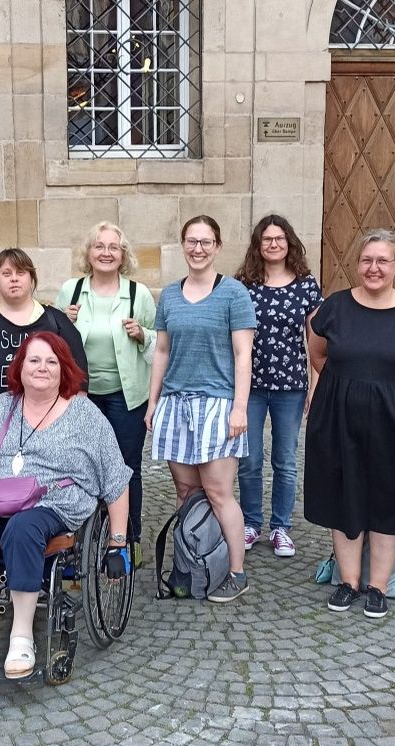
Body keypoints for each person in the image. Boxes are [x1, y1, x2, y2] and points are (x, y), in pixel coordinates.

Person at [0, 332, 132, 679]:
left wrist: (117, 543)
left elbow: (116, 481)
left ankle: (22, 636)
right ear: (20, 367)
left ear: (64, 370)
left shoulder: (85, 416)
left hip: (53, 502)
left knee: (23, 528)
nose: (42, 368)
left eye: (52, 362)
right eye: (34, 360)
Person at [305, 229, 395, 619]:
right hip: (339, 416)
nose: (374, 268)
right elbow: (317, 351)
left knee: (389, 499)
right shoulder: (335, 307)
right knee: (343, 496)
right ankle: (348, 582)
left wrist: (391, 390)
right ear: (358, 264)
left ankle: (378, 587)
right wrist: (347, 383)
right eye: (367, 260)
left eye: (383, 260)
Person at [146, 215, 256, 603]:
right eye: (191, 241)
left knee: (218, 492)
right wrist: (154, 401)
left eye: (206, 242)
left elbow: (244, 355)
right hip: (175, 404)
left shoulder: (234, 294)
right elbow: (161, 350)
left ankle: (237, 573)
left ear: (218, 246)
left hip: (217, 405)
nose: (198, 248)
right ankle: (191, 565)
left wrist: (239, 408)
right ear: (183, 245)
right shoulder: (170, 295)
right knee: (186, 490)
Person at [56, 221, 156, 549]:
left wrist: (142, 334)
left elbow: (160, 344)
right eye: (99, 246)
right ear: (89, 252)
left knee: (126, 469)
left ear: (123, 254)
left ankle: (128, 541)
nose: (106, 253)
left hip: (126, 396)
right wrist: (62, 325)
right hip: (80, 396)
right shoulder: (71, 291)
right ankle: (82, 541)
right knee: (81, 467)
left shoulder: (136, 294)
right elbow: (50, 343)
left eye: (113, 247)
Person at [234, 215, 323, 558]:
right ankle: (251, 522)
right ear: (258, 245)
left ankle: (281, 527)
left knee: (285, 460)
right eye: (267, 239)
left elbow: (315, 341)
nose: (273, 244)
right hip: (251, 386)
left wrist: (315, 385)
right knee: (250, 459)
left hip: (290, 385)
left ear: (290, 243)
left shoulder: (306, 285)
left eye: (279, 238)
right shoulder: (243, 284)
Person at [0, 247, 87, 440]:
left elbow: (78, 378)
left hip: (46, 429)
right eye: (6, 273)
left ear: (32, 278)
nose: (14, 278)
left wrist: (75, 421)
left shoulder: (57, 323)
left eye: (20, 272)